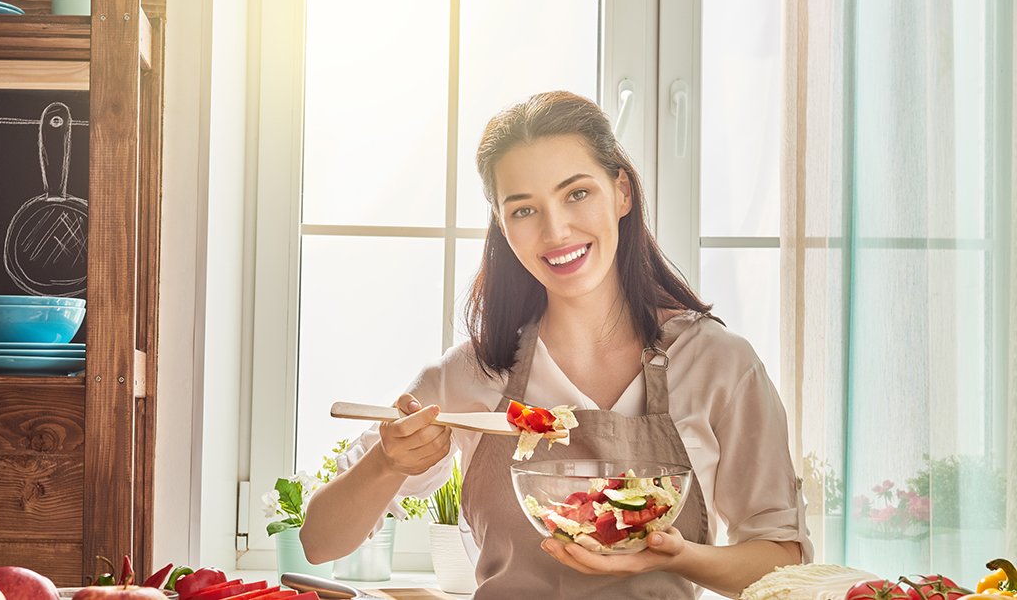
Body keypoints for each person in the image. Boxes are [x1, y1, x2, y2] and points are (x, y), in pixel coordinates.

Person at [300, 91, 811, 598]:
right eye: (524, 210)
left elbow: (780, 559)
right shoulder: (472, 373)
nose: (557, 230)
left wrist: (678, 556)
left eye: (577, 194)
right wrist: (388, 463)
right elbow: (320, 542)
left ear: (622, 193)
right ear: (502, 223)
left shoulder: (717, 362)